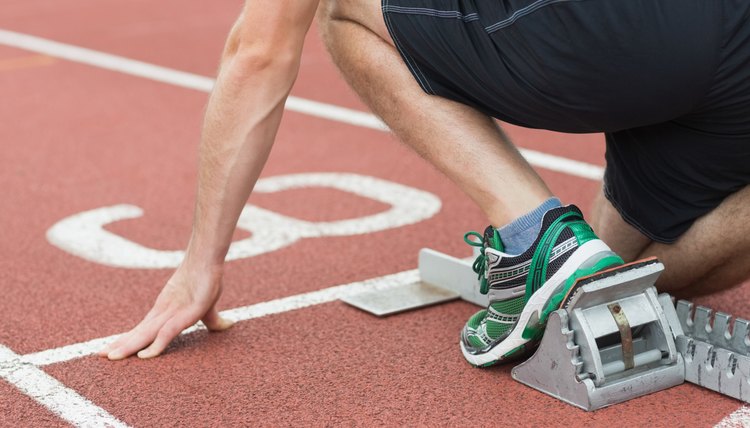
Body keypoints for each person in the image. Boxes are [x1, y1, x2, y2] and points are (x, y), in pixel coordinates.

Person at [100, 0, 750, 366]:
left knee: (339, 11)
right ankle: (572, 261)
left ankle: (535, 234)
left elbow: (260, 50)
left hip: (613, 32)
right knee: (618, 274)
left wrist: (200, 262)